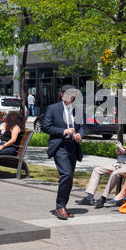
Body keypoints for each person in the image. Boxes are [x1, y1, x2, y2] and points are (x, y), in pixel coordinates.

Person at [77, 118, 126, 208]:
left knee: (115, 173)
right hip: (122, 162)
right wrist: (121, 151)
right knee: (97, 170)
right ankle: (89, 197)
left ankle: (103, 198)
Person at [43, 84, 85, 220]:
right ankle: (59, 206)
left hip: (73, 146)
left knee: (70, 177)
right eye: (67, 94)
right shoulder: (53, 108)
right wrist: (63, 131)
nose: (70, 97)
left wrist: (80, 134)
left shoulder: (77, 110)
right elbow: (47, 127)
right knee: (66, 174)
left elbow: (82, 126)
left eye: (72, 94)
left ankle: (63, 206)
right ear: (62, 95)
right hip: (60, 146)